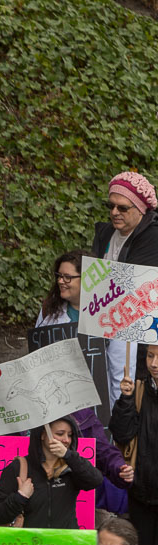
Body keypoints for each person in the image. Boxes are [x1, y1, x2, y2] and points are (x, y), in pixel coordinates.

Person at [35, 249, 133, 513]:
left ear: (87, 280)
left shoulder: (111, 313)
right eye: (59, 276)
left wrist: (118, 414)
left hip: (95, 410)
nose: (61, 281)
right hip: (57, 404)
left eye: (68, 277)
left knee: (92, 463)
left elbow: (118, 369)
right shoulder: (49, 311)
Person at [92, 172, 158, 408]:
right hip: (103, 317)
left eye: (122, 207)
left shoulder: (153, 237)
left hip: (135, 323)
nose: (114, 212)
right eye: (110, 206)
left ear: (140, 209)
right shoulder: (105, 233)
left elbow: (137, 285)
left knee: (122, 383)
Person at [112, 345, 158, 545]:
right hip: (141, 496)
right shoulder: (138, 389)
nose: (154, 363)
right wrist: (126, 400)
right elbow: (121, 435)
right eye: (150, 355)